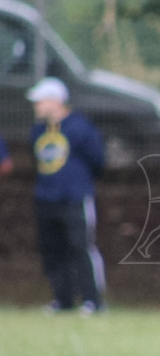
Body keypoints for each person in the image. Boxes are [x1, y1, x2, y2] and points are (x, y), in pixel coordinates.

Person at [27, 77, 107, 315]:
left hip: (75, 198)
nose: (36, 106)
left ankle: (93, 301)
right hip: (46, 198)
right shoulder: (38, 130)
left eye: (40, 101)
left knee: (81, 247)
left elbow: (97, 161)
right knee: (52, 249)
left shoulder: (81, 127)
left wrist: (76, 183)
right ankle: (63, 300)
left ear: (55, 101)